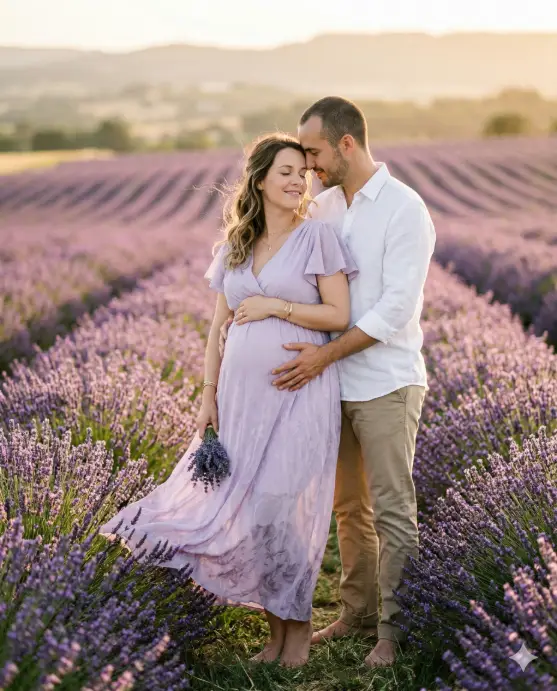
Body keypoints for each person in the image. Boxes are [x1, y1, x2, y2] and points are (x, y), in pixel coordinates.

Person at [100, 132, 359, 668]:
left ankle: (299, 639)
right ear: (260, 180)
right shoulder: (234, 247)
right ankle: (275, 636)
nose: (296, 180)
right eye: (284, 171)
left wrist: (274, 306)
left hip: (298, 390)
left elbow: (337, 316)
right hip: (240, 401)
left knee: (276, 506)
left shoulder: (319, 239)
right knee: (249, 514)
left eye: (301, 172)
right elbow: (216, 329)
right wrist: (207, 396)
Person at [219, 97, 436, 668]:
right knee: (348, 508)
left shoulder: (404, 208)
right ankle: (356, 613)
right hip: (331, 385)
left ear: (345, 144)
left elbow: (394, 309)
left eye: (313, 152)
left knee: (392, 507)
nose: (308, 166)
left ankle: (392, 631)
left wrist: (322, 353)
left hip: (386, 381)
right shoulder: (327, 208)